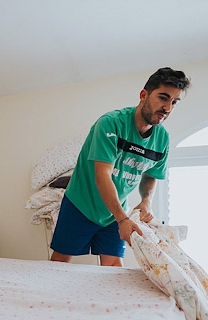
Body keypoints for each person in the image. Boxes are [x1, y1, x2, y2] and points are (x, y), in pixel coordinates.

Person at [50, 67, 190, 267]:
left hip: (114, 213)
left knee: (114, 267)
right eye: (163, 98)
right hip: (80, 206)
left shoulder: (162, 139)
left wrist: (146, 200)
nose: (167, 107)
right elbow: (103, 176)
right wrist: (123, 220)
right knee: (59, 264)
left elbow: (151, 175)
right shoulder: (110, 123)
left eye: (174, 102)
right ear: (144, 95)